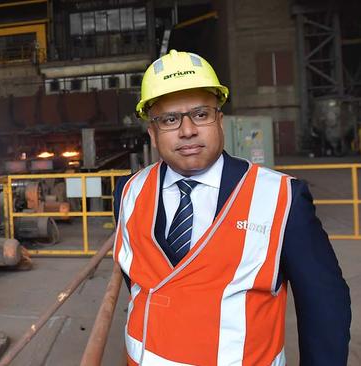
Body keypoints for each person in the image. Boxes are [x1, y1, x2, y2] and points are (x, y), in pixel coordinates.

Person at [112, 50, 350, 366]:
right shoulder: (128, 193)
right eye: (170, 119)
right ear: (153, 133)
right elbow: (142, 280)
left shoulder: (282, 199)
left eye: (200, 114)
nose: (187, 131)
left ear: (219, 120)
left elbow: (324, 307)